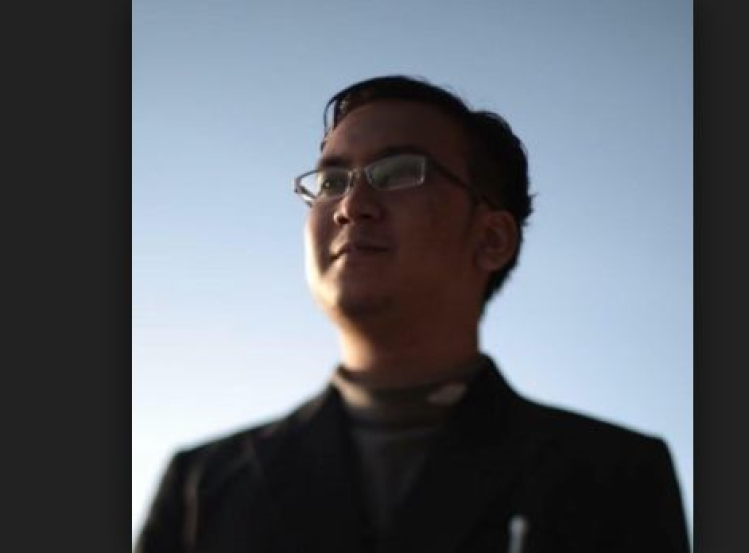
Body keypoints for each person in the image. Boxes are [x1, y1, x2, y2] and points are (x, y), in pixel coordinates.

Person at [136, 75, 690, 553]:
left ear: (491, 238)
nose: (351, 206)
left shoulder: (611, 475)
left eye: (399, 171)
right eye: (330, 182)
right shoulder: (202, 486)